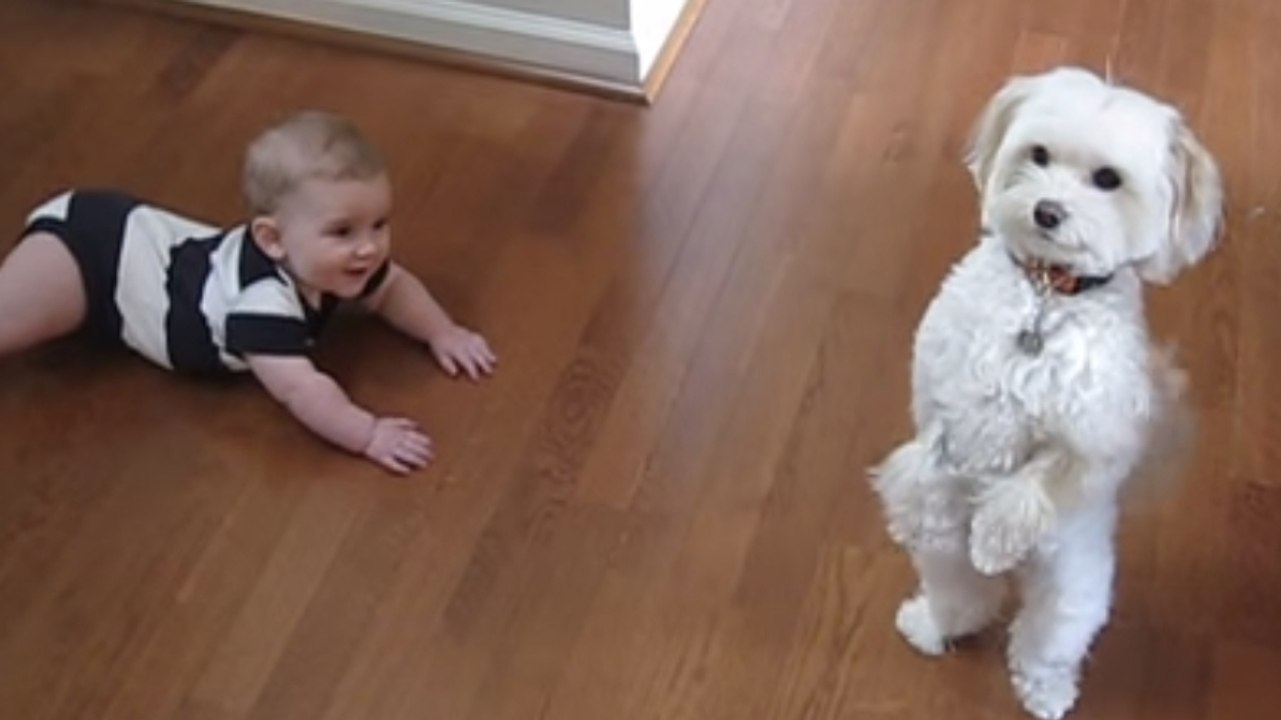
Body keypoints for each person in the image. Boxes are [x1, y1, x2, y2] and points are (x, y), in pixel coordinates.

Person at [0, 110, 495, 474]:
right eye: (343, 232)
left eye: (379, 224)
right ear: (272, 239)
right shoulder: (262, 305)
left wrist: (442, 332)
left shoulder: (337, 265)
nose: (368, 249)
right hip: (93, 257)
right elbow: (301, 389)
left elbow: (394, 288)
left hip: (138, 249)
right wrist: (367, 433)